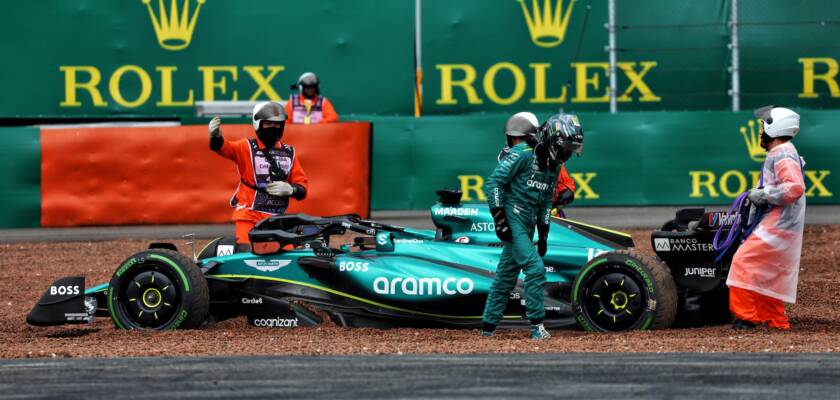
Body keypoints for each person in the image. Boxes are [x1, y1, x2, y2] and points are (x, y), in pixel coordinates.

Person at [481, 113, 585, 340]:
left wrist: (544, 233)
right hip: (512, 219)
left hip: (528, 223)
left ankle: (487, 328)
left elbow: (546, 200)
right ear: (553, 141)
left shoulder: (554, 164)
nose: (568, 153)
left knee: (505, 278)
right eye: (566, 147)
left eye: (571, 148)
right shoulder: (522, 154)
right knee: (535, 268)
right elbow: (494, 183)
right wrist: (500, 219)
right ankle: (537, 326)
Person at [727, 106, 805, 330]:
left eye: (763, 126)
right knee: (767, 272)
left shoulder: (781, 152)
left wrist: (762, 194)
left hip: (778, 224)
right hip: (784, 225)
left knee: (742, 262)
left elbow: (794, 188)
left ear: (774, 126)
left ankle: (747, 317)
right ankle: (776, 320)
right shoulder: (786, 151)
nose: (761, 131)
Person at [208, 101, 309, 246]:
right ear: (258, 124)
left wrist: (291, 189)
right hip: (249, 215)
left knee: (286, 258)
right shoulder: (246, 147)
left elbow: (302, 186)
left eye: (277, 124)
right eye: (268, 123)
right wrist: (216, 137)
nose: (273, 127)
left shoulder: (289, 152)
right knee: (246, 255)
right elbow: (225, 148)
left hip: (277, 219)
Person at [497, 112, 577, 215]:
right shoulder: (507, 157)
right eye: (514, 138)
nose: (518, 141)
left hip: (549, 215)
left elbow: (566, 186)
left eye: (522, 138)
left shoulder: (549, 156)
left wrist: (565, 194)